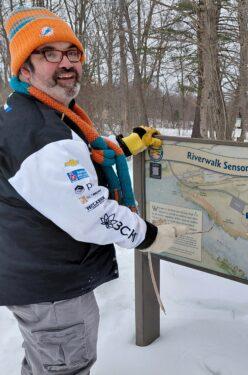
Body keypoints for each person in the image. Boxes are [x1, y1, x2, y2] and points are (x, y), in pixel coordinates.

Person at [0, 7, 183, 374]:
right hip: (53, 289)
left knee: (44, 362)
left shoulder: (35, 114)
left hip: (34, 276)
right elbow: (91, 213)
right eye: (49, 53)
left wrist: (125, 145)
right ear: (24, 68)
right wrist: (150, 236)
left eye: (72, 52)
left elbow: (80, 158)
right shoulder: (42, 134)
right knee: (67, 366)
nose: (65, 62)